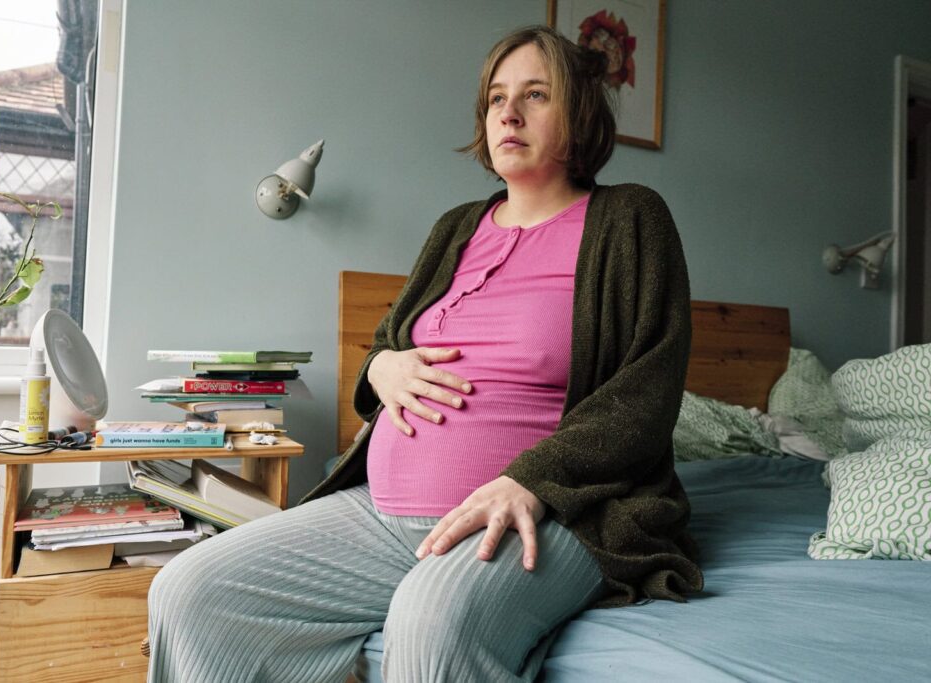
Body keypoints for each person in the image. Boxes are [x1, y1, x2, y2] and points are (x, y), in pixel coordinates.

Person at [147, 24, 703, 683]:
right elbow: (389, 339)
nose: (509, 112)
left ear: (580, 113)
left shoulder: (630, 219)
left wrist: (528, 479)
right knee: (187, 591)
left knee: (428, 622)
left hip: (548, 510)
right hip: (381, 511)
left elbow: (646, 392)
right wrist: (381, 367)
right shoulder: (456, 227)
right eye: (497, 97)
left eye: (535, 95)